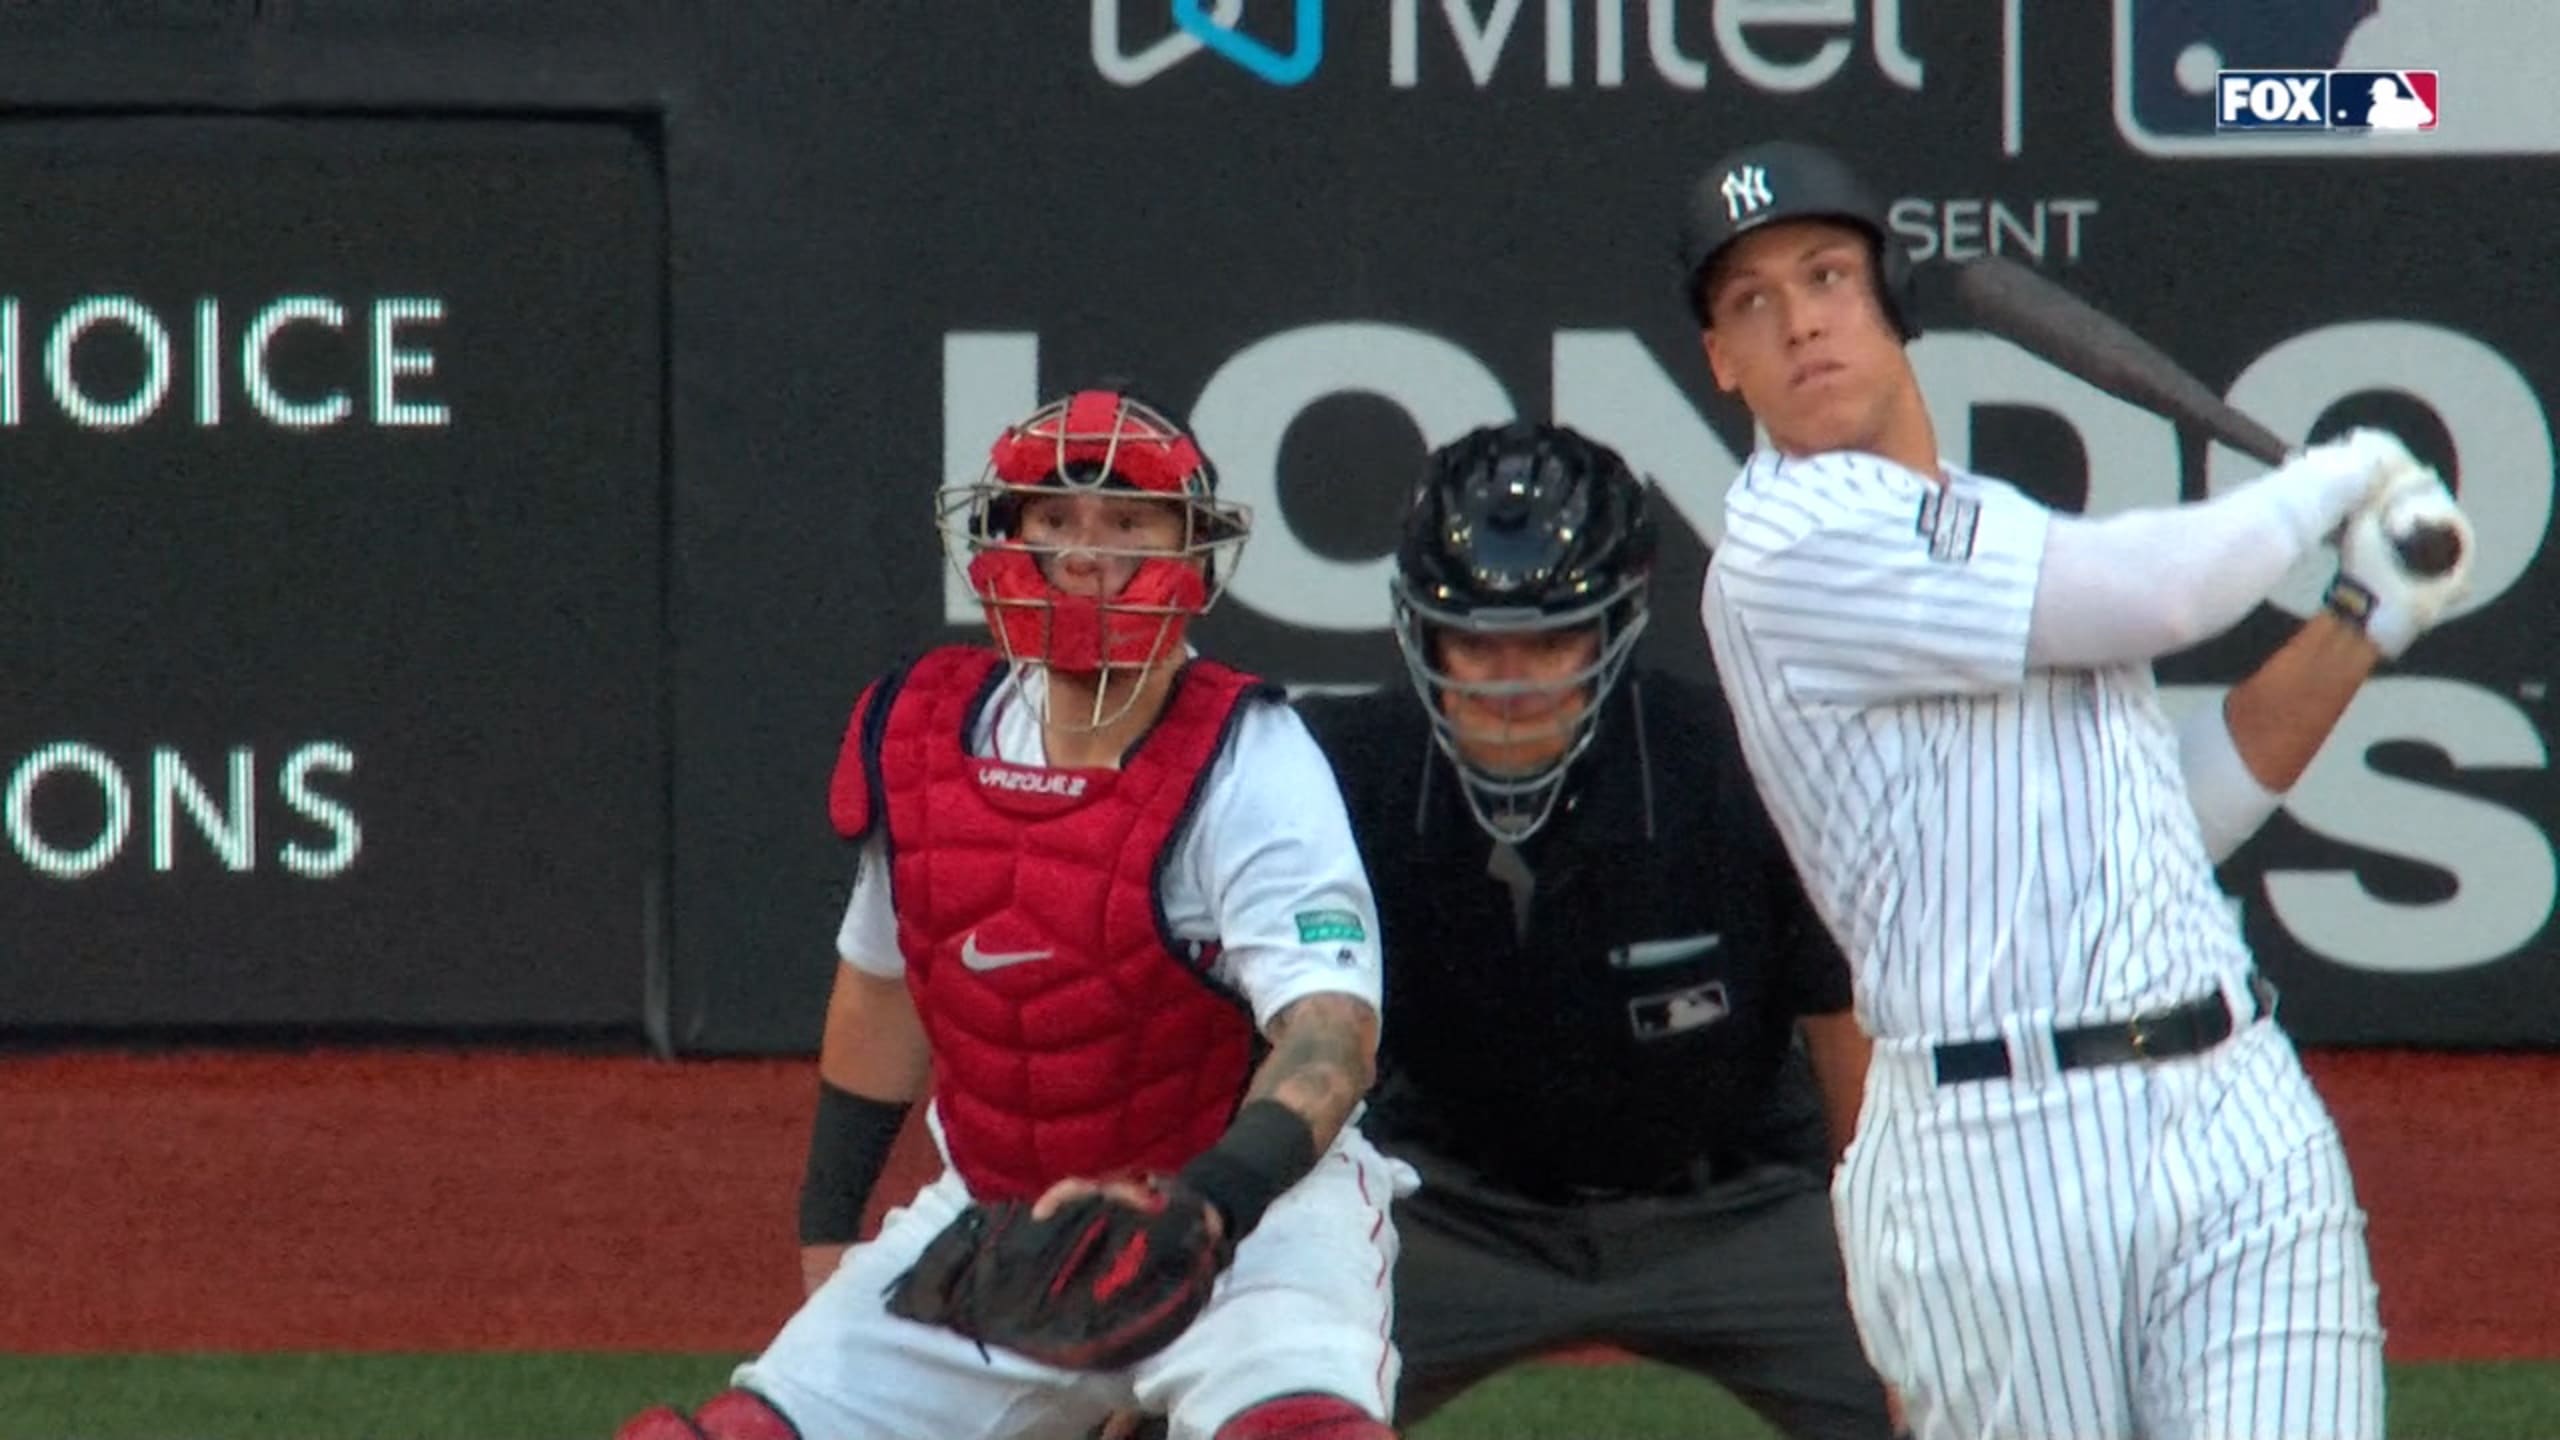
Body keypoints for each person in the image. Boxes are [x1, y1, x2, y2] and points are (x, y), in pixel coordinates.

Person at [1677, 139, 2477, 1440]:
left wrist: (2366, 615)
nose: (1798, 320)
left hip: (2231, 1105)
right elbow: (2163, 593)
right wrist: (2338, 476)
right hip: (1995, 1153)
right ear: (1720, 360)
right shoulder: (1782, 546)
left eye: (1824, 275)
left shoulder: (1999, 527)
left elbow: (2177, 816)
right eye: (1749, 302)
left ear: (1888, 299)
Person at [614, 385, 1413, 1440]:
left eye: (1127, 523)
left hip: (1247, 1223)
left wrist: (1208, 1204)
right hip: (1001, 1219)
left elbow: (1328, 1039)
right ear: (1004, 545)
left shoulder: (1251, 758)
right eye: (1053, 519)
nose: (1086, 552)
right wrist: (829, 1223)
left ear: (1190, 555)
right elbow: (881, 991)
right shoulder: (924, 735)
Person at [1301, 420, 1900, 1440]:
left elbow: (1845, 1038)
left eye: (1550, 639)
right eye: (1473, 641)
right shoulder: (1336, 768)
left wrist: (1899, 1261)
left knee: (1958, 1372)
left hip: (1737, 1209)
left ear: (1615, 629)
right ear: (1419, 632)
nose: (1507, 679)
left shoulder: (1739, 764)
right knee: (1255, 1374)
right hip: (1443, 1210)